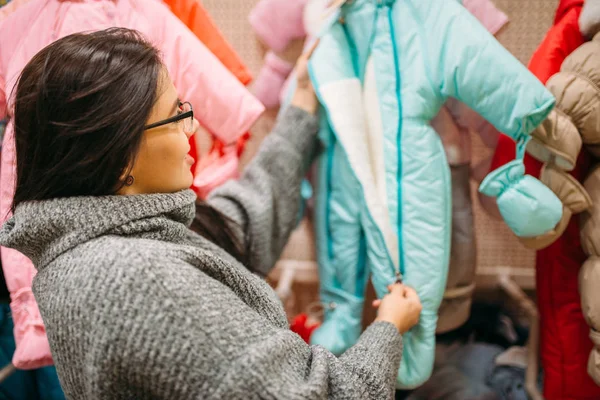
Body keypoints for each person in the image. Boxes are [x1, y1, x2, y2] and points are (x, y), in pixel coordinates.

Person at [0, 28, 422, 399]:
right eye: (175, 116)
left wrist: (301, 110)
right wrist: (388, 328)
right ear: (120, 158)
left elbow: (235, 225)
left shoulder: (96, 247)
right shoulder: (143, 284)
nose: (192, 127)